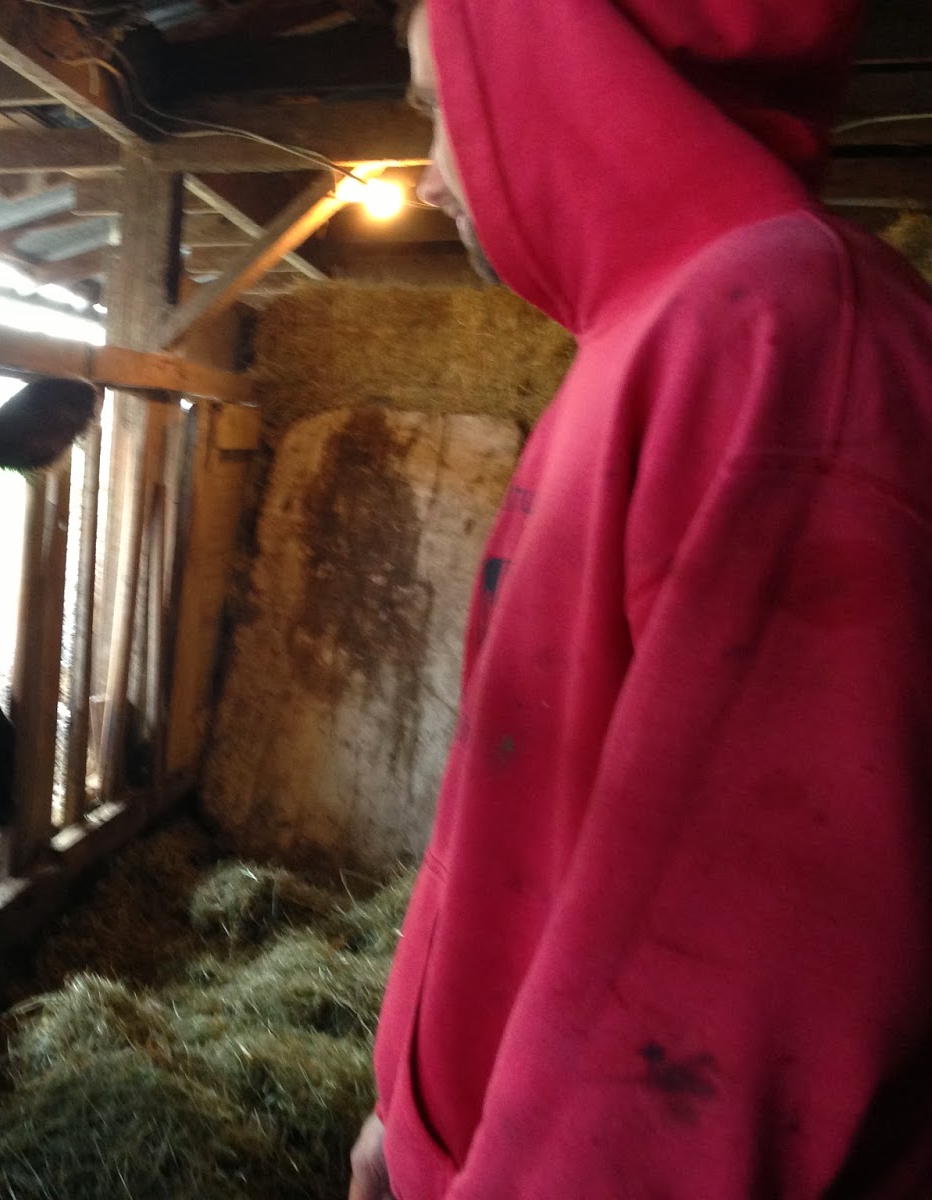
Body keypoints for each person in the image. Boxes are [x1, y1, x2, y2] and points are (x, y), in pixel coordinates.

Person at [350, 1, 932, 1196]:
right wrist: (407, 1120)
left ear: (554, 68)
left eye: (440, 105)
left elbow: (729, 961)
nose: (430, 173)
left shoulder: (783, 336)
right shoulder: (663, 332)